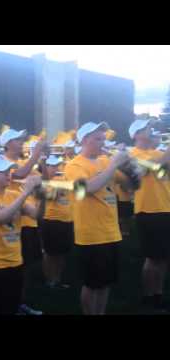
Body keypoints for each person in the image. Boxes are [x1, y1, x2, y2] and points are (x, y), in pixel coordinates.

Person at [65, 122, 135, 315]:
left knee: (105, 283)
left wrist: (128, 165)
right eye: (98, 139)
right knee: (92, 284)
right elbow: (87, 189)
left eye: (103, 139)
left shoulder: (105, 161)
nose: (103, 142)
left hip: (111, 232)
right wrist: (114, 164)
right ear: (85, 140)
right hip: (90, 234)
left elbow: (129, 185)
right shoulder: (74, 165)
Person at [0, 153, 44, 314]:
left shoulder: (13, 195)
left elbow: (36, 215)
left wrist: (41, 194)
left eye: (9, 170)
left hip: (14, 262)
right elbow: (2, 218)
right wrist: (25, 192)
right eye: (3, 171)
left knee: (10, 307)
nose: (8, 174)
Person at [0, 128, 47, 315]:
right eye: (17, 140)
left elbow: (38, 179)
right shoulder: (2, 162)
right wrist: (36, 154)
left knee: (26, 265)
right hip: (16, 220)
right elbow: (19, 174)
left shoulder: (21, 161)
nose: (21, 142)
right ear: (7, 144)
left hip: (30, 216)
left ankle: (20, 302)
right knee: (15, 266)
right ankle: (12, 302)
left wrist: (43, 163)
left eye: (21, 139)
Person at [128, 119, 170, 311]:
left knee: (163, 257)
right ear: (136, 135)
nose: (150, 129)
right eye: (145, 128)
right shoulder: (130, 154)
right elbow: (144, 169)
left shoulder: (159, 153)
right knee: (152, 258)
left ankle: (158, 293)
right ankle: (148, 295)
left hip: (166, 208)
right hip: (148, 211)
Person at [40, 155, 74, 289]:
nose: (56, 168)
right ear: (46, 167)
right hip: (52, 220)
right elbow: (49, 196)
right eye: (52, 166)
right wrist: (59, 189)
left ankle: (57, 278)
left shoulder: (62, 178)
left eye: (56, 165)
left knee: (61, 253)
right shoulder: (44, 181)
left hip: (67, 220)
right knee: (50, 253)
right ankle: (49, 279)